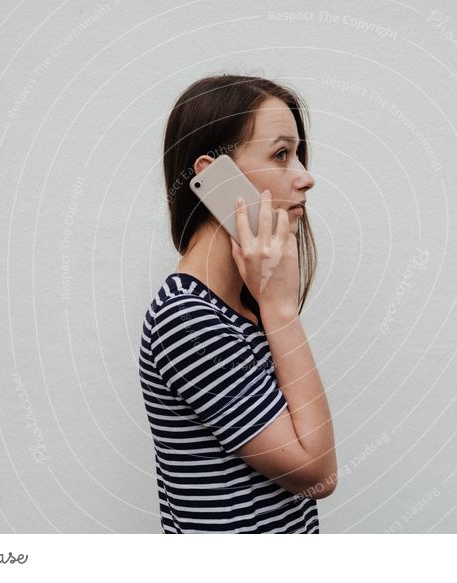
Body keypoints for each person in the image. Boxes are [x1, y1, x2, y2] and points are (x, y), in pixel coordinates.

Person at [139, 74, 337, 533]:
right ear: (212, 176)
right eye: (282, 154)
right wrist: (281, 309)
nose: (306, 177)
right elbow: (317, 473)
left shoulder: (242, 307)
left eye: (299, 154)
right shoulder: (187, 320)